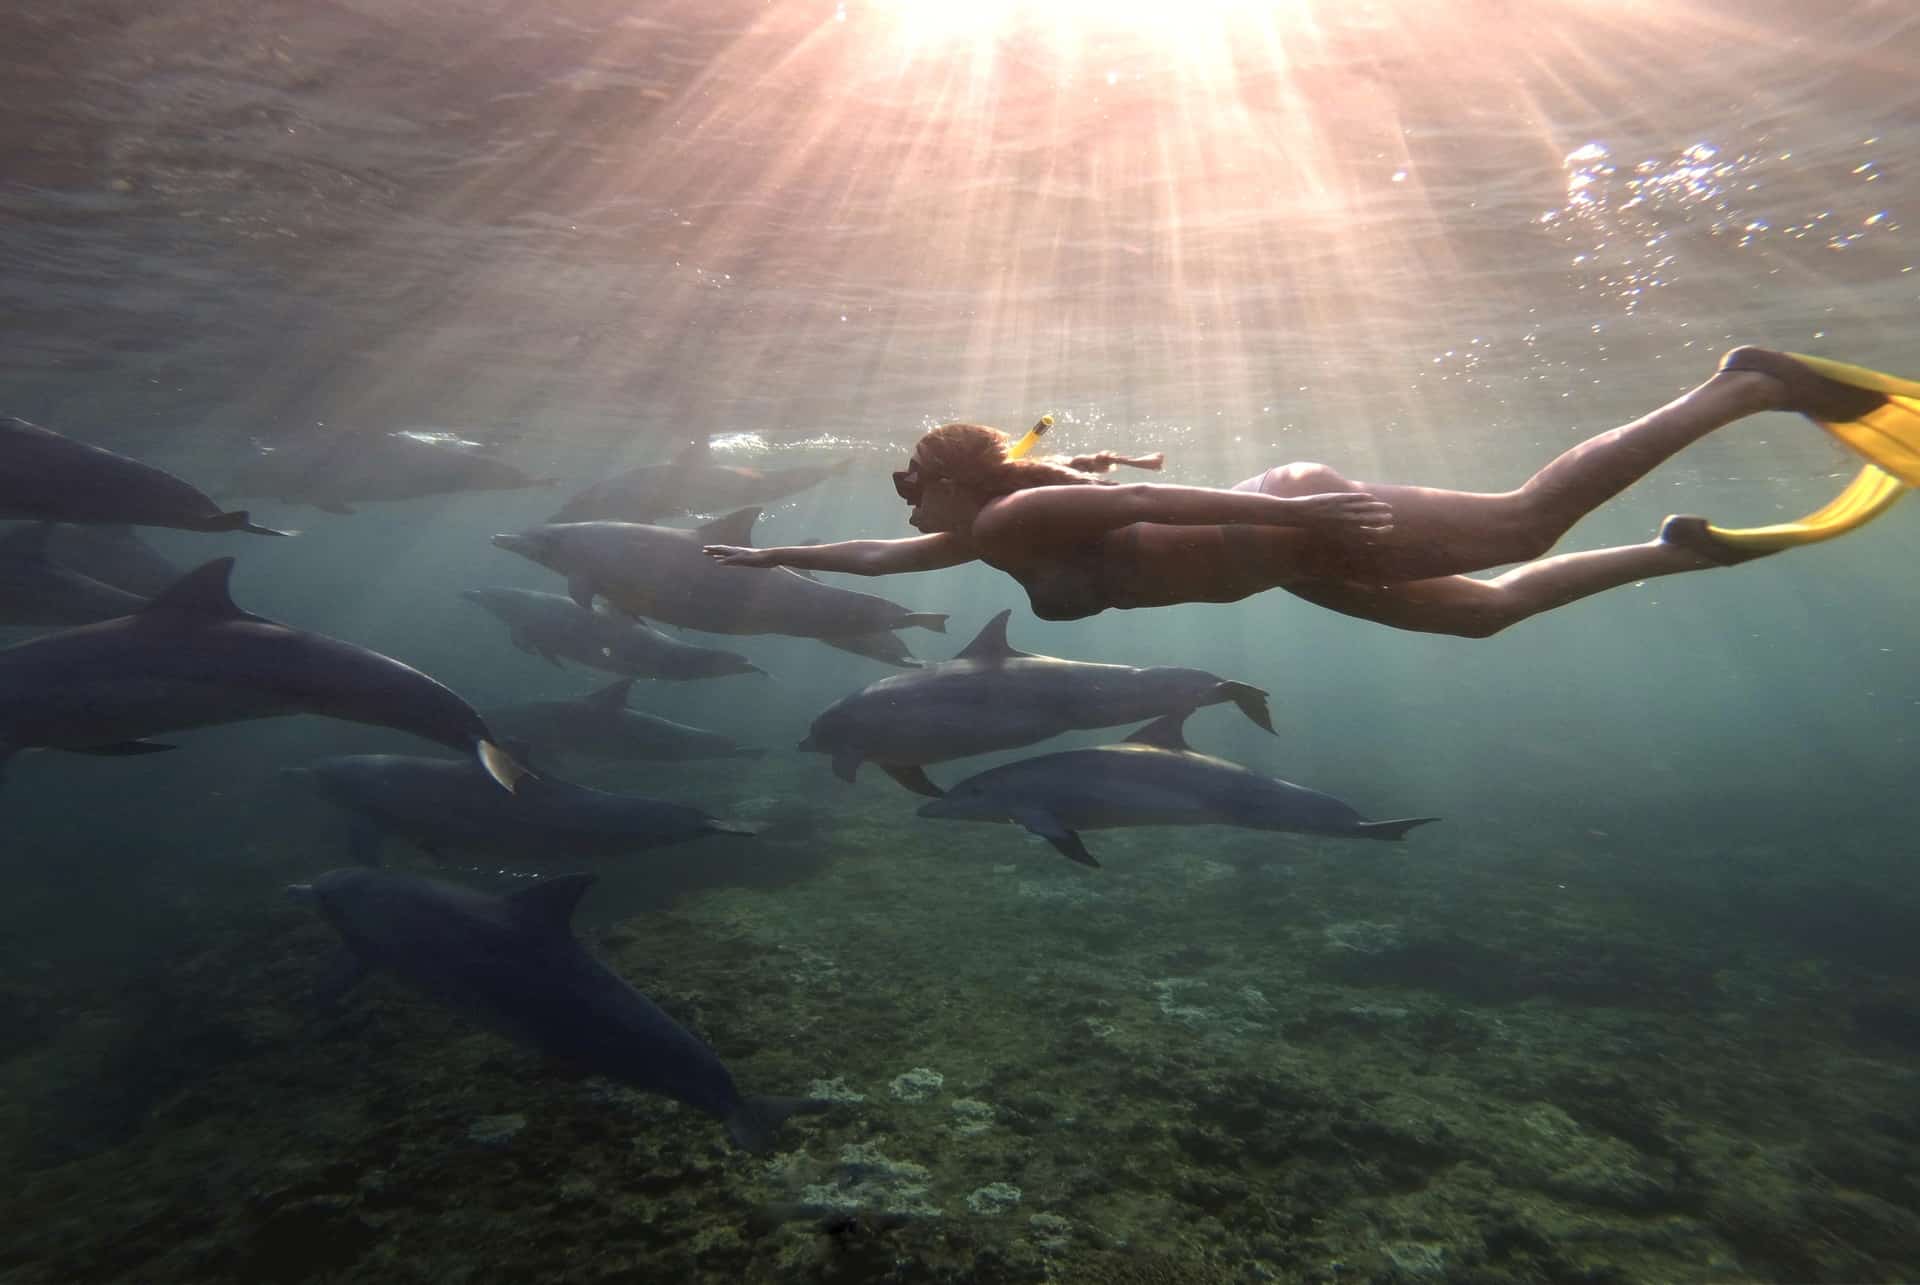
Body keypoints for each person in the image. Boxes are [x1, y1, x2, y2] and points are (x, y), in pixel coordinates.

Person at [703, 348, 1917, 637]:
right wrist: (778, 563)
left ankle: (1741, 390)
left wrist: (1302, 517)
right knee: (1482, 614)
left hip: (1291, 521)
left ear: (952, 485)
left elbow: (1181, 513)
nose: (909, 517)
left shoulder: (1016, 517)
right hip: (1291, 555)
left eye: (912, 494)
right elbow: (876, 558)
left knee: (1516, 523)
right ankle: (1679, 550)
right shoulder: (987, 542)